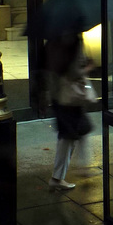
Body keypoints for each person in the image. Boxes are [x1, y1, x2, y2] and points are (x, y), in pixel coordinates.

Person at [43, 32, 94, 190]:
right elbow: (72, 73)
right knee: (68, 136)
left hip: (59, 96)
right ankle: (58, 178)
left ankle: (78, 169)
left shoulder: (53, 41)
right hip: (68, 97)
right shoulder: (71, 42)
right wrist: (87, 68)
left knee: (75, 132)